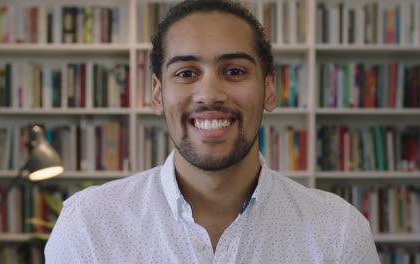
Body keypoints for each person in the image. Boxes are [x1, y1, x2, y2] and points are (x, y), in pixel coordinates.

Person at [45, 0, 380, 263]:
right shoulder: (88, 223)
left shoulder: (338, 230)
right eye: (187, 73)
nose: (210, 94)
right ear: (158, 94)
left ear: (270, 89)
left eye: (234, 71)